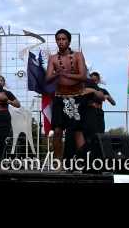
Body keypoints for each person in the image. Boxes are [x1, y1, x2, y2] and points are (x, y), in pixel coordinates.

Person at [45, 29, 88, 161]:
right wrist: (57, 74)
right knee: (57, 131)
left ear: (69, 41)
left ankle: (82, 162)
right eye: (58, 39)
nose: (61, 42)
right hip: (59, 97)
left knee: (77, 131)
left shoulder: (78, 55)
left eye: (63, 39)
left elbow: (83, 76)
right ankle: (58, 163)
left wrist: (65, 74)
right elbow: (47, 78)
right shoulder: (53, 58)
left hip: (76, 97)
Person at [0, 75, 21, 161]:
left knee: (2, 140)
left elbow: (18, 104)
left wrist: (7, 100)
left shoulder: (8, 93)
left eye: (1, 80)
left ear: (4, 83)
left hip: (4, 117)